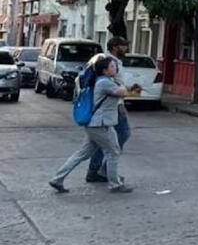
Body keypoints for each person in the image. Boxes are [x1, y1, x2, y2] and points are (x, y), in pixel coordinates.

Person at [49, 56, 134, 193]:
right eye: (112, 66)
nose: (115, 68)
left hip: (95, 124)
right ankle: (115, 184)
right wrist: (121, 82)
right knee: (113, 151)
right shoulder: (104, 82)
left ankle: (57, 179)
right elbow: (123, 93)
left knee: (82, 153)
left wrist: (117, 81)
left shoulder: (102, 81)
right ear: (105, 70)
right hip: (101, 124)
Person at [86, 37, 137, 183]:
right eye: (124, 46)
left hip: (114, 104)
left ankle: (97, 169)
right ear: (115, 47)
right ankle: (102, 170)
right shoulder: (109, 62)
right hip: (113, 105)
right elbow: (113, 83)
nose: (126, 49)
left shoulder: (113, 61)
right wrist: (124, 90)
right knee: (121, 135)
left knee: (100, 141)